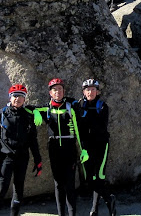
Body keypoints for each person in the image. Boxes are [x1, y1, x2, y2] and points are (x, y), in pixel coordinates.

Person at [0, 84, 42, 216]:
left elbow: (33, 140)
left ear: (25, 98)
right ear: (10, 97)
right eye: (15, 96)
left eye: (21, 96)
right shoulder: (1, 114)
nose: (18, 99)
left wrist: (38, 159)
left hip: (23, 157)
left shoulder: (28, 116)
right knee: (1, 190)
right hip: (7, 158)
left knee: (19, 190)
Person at [35, 78, 88, 216]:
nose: (57, 91)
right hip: (54, 148)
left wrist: (83, 149)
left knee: (70, 184)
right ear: (50, 93)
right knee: (58, 184)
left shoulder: (71, 105)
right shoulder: (47, 108)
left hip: (69, 147)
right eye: (54, 89)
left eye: (60, 89)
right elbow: (28, 109)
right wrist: (35, 112)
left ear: (63, 91)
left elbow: (79, 129)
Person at [74, 79, 117, 216]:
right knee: (89, 179)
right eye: (87, 89)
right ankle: (109, 199)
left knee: (99, 177)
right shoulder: (80, 106)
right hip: (87, 148)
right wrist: (83, 148)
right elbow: (80, 129)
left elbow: (100, 127)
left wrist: (85, 115)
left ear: (97, 91)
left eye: (93, 89)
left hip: (101, 146)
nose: (90, 92)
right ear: (83, 92)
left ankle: (94, 209)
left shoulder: (103, 106)